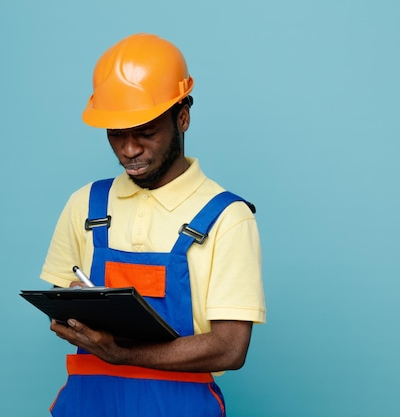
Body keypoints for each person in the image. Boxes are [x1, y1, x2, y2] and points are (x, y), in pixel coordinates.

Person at [40, 33, 266, 417]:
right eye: (116, 133)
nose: (129, 150)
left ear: (183, 116)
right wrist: (73, 310)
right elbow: (62, 312)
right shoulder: (85, 205)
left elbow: (230, 347)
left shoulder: (228, 218)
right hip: (89, 404)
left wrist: (121, 353)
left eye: (145, 132)